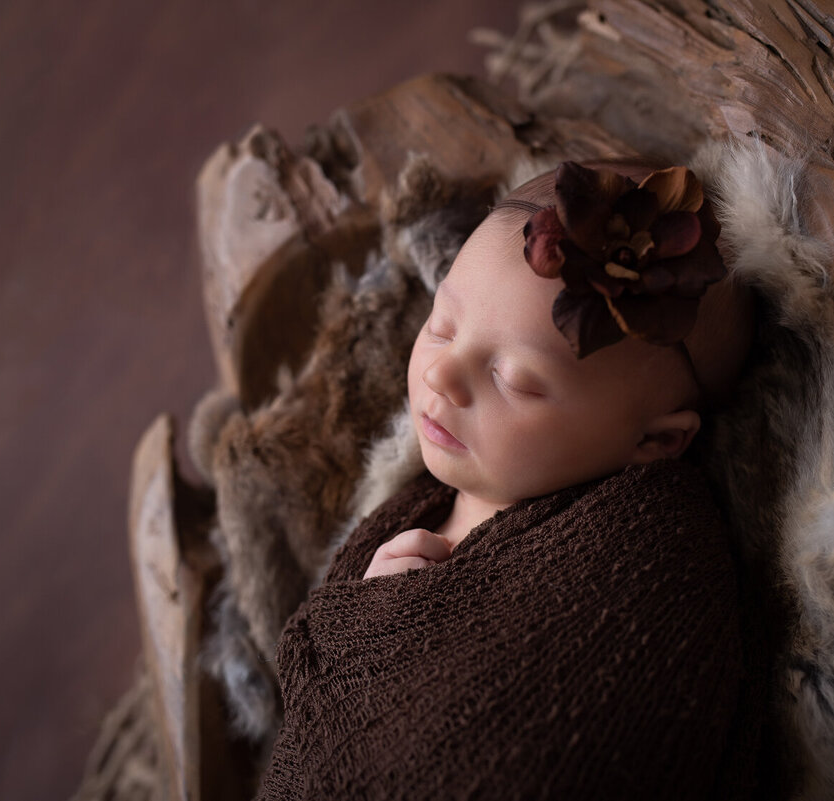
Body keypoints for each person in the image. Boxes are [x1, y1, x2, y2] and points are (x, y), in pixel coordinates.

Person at [255, 160, 760, 800]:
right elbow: (307, 685)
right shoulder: (425, 497)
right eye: (441, 325)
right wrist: (372, 623)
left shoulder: (647, 554)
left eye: (514, 380)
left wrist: (389, 637)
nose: (441, 374)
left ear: (655, 441)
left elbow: (529, 761)